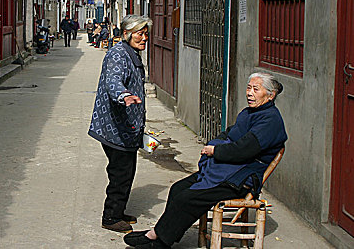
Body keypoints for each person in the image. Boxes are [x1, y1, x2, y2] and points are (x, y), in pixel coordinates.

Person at [123, 72, 287, 248]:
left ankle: (160, 240)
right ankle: (160, 234)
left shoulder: (270, 120)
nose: (249, 93)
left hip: (240, 178)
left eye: (256, 89)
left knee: (187, 198)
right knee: (178, 189)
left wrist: (215, 150)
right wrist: (214, 144)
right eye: (248, 88)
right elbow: (231, 133)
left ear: (270, 95)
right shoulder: (249, 113)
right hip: (227, 168)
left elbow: (243, 150)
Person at [88, 15, 152, 233]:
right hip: (115, 127)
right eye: (139, 33)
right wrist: (124, 95)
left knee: (126, 170)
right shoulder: (118, 54)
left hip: (126, 126)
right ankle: (111, 217)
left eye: (145, 34)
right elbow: (113, 80)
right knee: (120, 172)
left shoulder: (130, 52)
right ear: (126, 34)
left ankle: (119, 210)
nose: (143, 38)